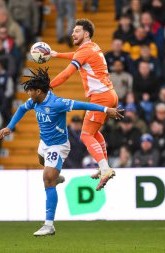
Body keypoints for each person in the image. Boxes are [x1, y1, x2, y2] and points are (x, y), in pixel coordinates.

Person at [0, 68, 122, 237]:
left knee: (47, 179)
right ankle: (56, 177)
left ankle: (49, 225)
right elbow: (21, 110)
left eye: (31, 91)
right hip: (44, 143)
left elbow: (83, 104)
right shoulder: (34, 101)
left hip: (58, 146)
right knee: (42, 162)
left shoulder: (57, 103)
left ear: (39, 91)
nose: (29, 94)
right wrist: (9, 127)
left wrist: (106, 110)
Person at [49, 19, 120, 190]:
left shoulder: (84, 51)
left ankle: (104, 168)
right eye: (73, 31)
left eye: (77, 31)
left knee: (85, 135)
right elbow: (76, 56)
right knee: (94, 132)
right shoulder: (92, 47)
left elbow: (66, 74)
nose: (73, 33)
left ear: (86, 34)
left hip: (100, 97)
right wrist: (57, 54)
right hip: (110, 94)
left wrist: (47, 87)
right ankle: (104, 166)